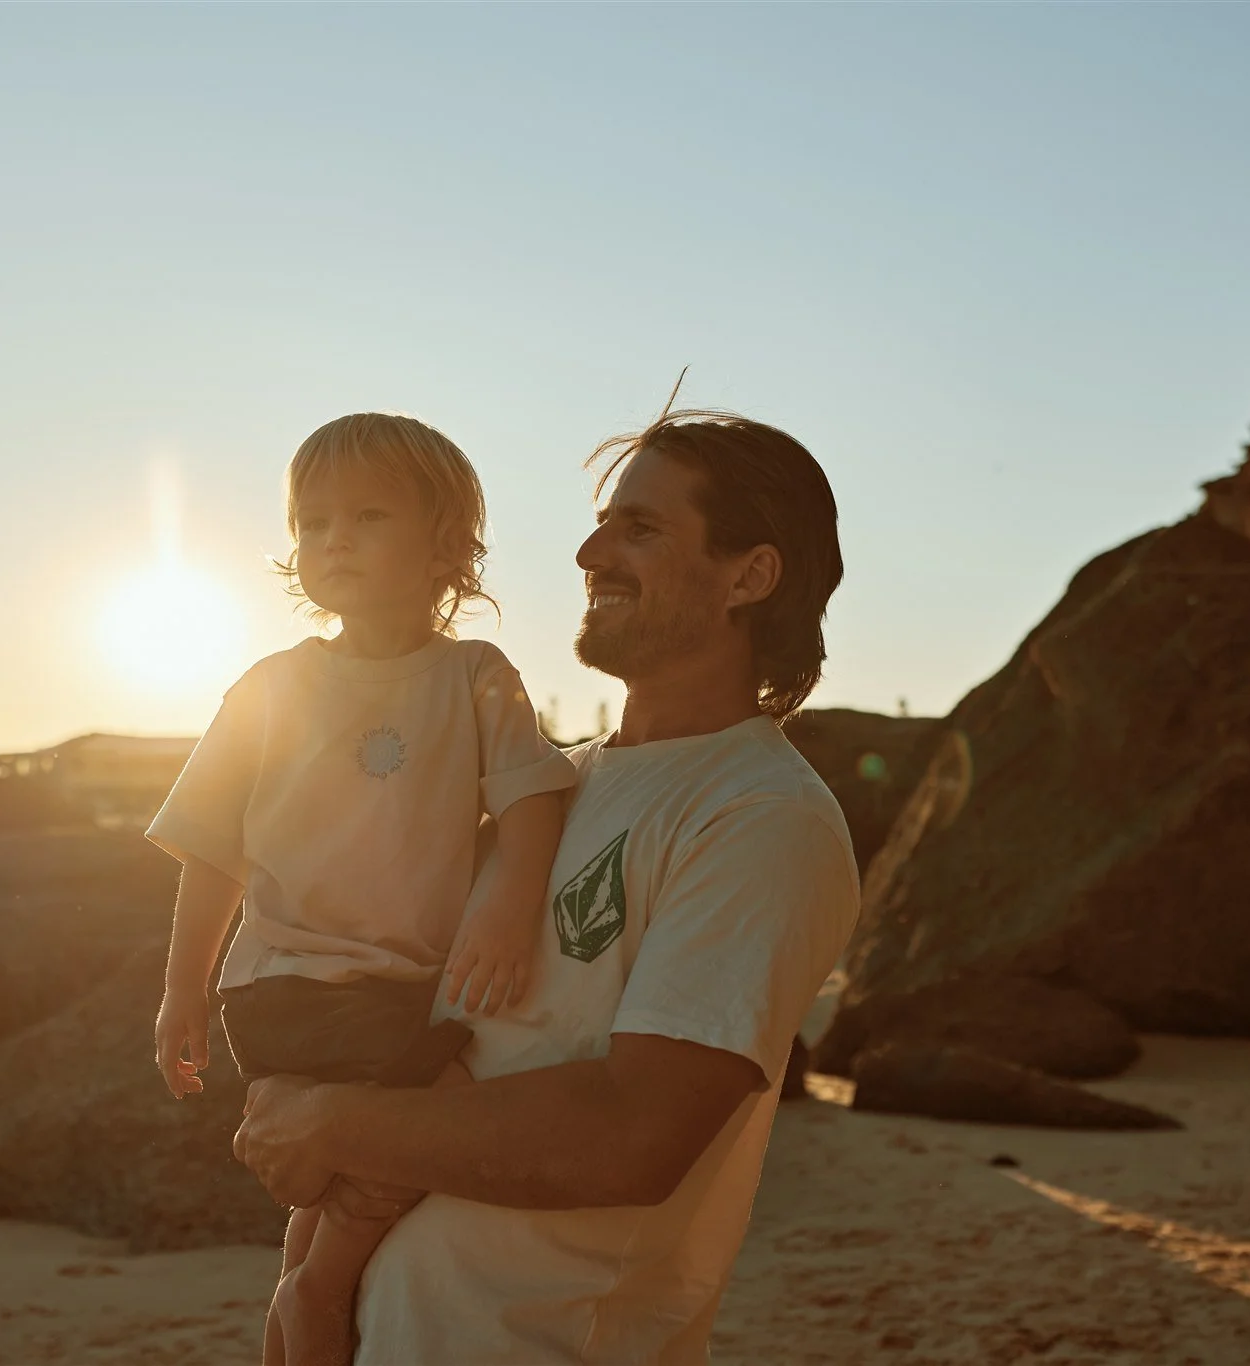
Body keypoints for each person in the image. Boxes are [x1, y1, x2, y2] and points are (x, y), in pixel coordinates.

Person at [234, 399, 861, 1364]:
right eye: (606, 519)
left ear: (752, 574)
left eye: (640, 527)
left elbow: (635, 1133)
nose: (589, 551)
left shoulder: (758, 818)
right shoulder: (548, 787)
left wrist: (331, 1122)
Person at [147, 412, 578, 1366]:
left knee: (333, 1179)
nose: (332, 540)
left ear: (447, 549)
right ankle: (322, 1294)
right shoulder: (268, 687)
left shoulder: (472, 675)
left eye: (367, 516)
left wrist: (507, 906)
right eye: (312, 522)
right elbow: (210, 849)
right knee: (434, 1122)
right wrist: (182, 987)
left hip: (378, 984)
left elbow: (532, 797)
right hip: (299, 985)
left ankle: (296, 1297)